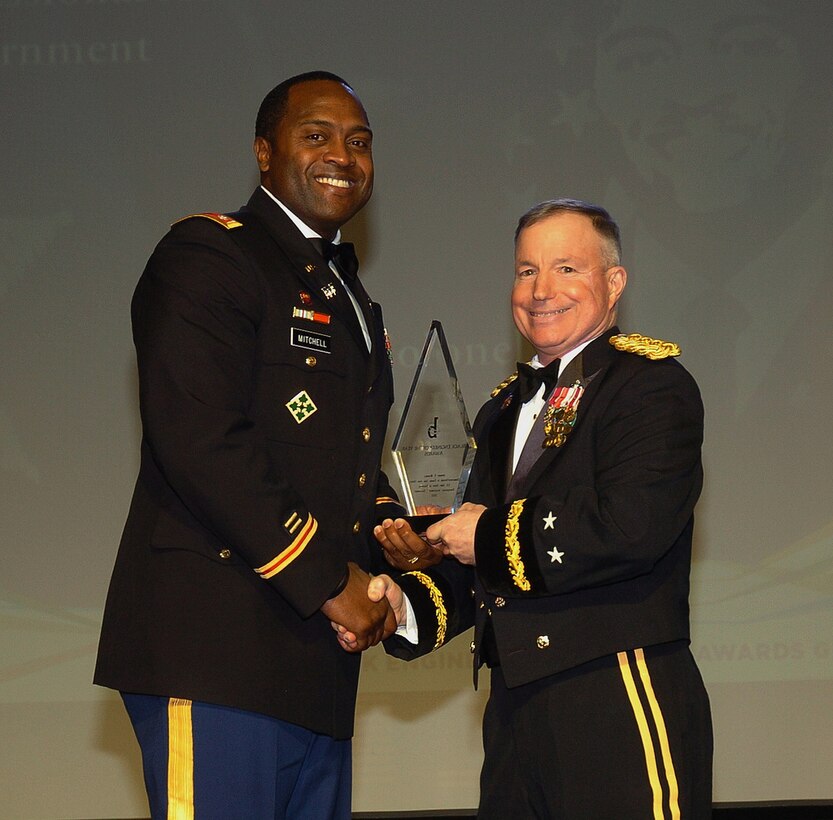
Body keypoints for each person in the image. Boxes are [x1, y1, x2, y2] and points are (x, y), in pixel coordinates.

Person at [94, 71, 402, 819]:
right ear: (264, 153)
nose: (343, 155)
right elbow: (200, 440)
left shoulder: (347, 296)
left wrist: (396, 531)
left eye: (358, 142)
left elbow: (333, 461)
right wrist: (333, 583)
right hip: (217, 654)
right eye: (317, 135)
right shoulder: (209, 256)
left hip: (313, 665)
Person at [360, 199, 713, 818]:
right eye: (527, 271)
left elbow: (631, 527)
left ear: (614, 282)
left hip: (619, 695)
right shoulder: (500, 413)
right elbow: (477, 561)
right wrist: (403, 605)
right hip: (514, 712)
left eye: (567, 268)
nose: (542, 290)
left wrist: (488, 534)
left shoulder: (652, 387)